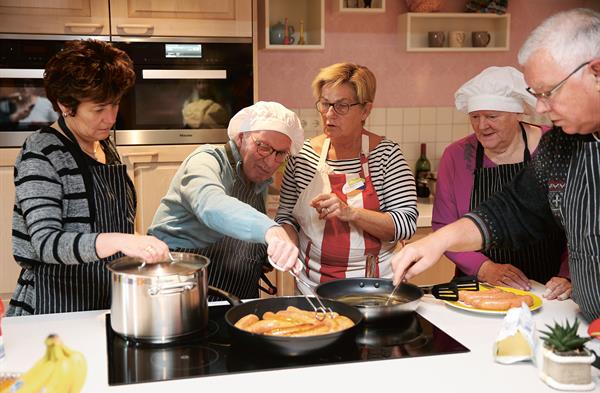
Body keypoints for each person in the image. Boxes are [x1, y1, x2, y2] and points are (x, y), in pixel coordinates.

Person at [391, 8, 600, 321]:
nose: (540, 107)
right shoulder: (561, 144)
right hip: (584, 322)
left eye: (549, 92)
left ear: (596, 72)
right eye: (536, 94)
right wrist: (438, 240)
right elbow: (513, 210)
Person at [8, 40, 170, 316]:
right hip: (56, 306)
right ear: (65, 105)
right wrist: (122, 240)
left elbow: (117, 221)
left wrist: (137, 244)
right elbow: (46, 243)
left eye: (115, 104)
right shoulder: (42, 153)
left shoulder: (104, 145)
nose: (110, 118)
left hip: (106, 299)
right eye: (98, 109)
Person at [275, 62, 417, 291]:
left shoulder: (386, 155)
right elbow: (286, 218)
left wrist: (350, 212)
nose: (329, 114)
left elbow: (406, 223)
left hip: (375, 287)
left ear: (365, 110)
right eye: (325, 104)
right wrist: (283, 243)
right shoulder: (302, 156)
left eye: (341, 106)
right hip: (312, 286)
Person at [434, 66, 571, 299]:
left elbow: (580, 223)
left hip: (547, 290)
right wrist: (483, 268)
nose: (481, 125)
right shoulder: (456, 155)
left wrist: (568, 276)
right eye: (475, 116)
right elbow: (443, 225)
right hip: (478, 287)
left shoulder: (554, 147)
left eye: (492, 117)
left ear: (518, 114)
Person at [148, 101, 304, 300]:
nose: (270, 161)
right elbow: (210, 205)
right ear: (241, 137)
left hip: (239, 298)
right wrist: (270, 230)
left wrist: (263, 253)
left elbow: (241, 227)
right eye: (263, 147)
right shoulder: (205, 160)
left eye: (280, 153)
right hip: (184, 294)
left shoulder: (258, 180)